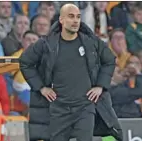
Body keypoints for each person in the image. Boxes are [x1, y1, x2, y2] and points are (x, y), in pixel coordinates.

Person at [20, 3, 122, 141]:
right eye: (71, 16)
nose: (75, 20)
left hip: (85, 107)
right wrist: (41, 88)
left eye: (78, 17)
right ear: (61, 20)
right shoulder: (46, 44)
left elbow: (110, 60)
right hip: (58, 109)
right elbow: (25, 62)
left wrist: (100, 86)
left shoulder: (91, 42)